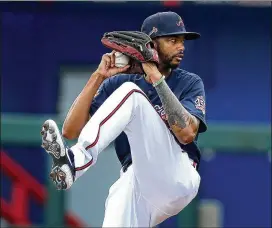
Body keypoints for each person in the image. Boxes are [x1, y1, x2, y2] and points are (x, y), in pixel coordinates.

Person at [41, 11, 207, 227]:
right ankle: (72, 163)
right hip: (137, 182)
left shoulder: (189, 83)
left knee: (132, 93)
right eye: (172, 40)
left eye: (182, 41)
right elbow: (70, 132)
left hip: (177, 175)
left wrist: (154, 77)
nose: (181, 47)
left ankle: (76, 162)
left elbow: (187, 134)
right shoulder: (118, 83)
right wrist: (98, 76)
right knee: (116, 201)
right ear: (151, 45)